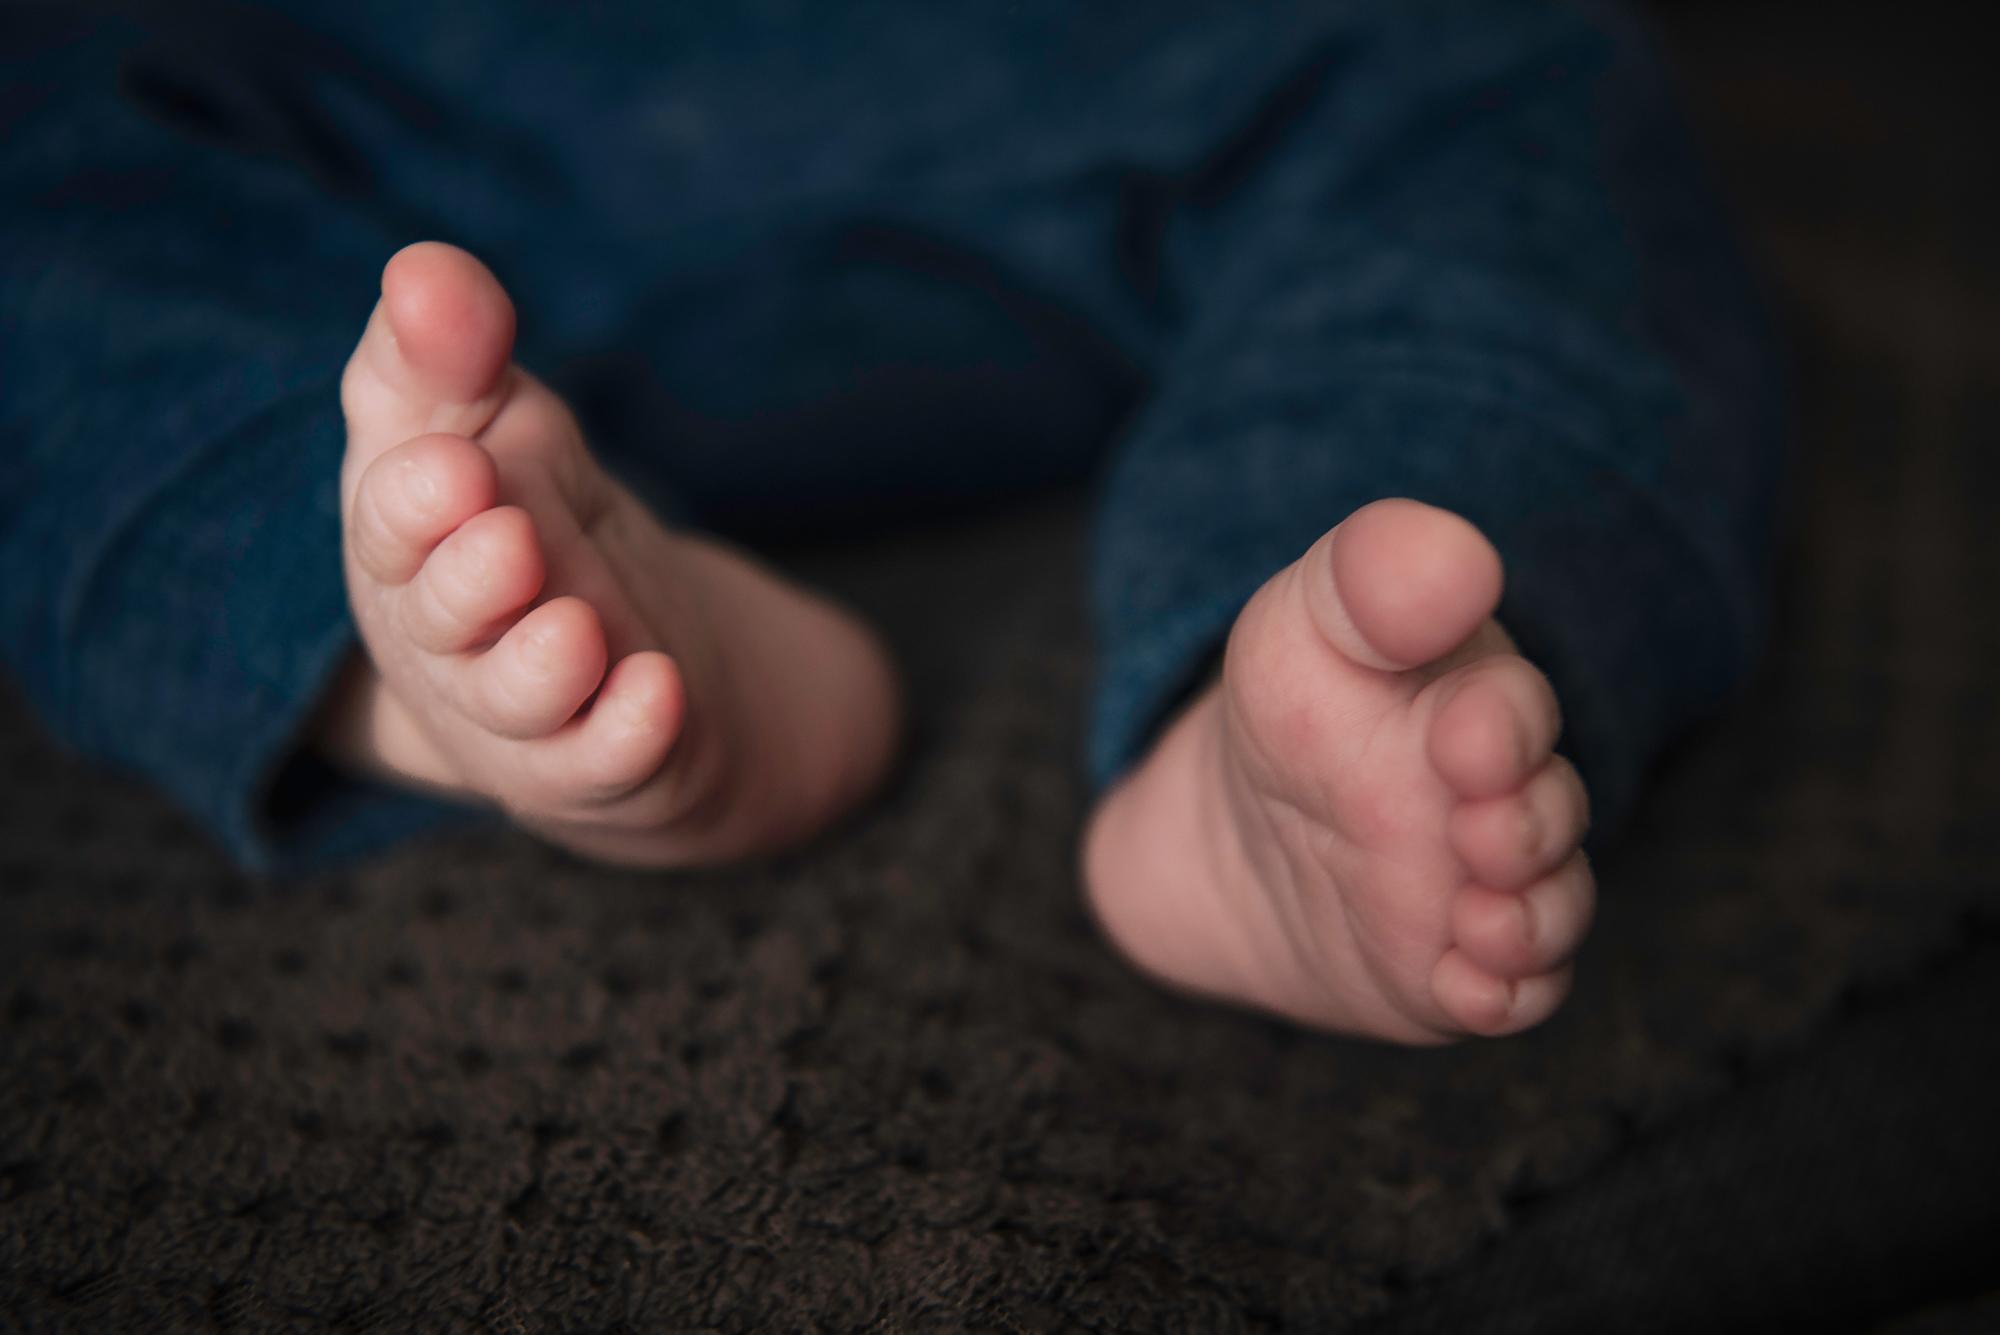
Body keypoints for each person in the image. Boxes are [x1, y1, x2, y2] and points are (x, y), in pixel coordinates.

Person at [0, 0, 1784, 1045]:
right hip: (360, 117)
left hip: (1074, 79)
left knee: (1511, 72)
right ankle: (482, 650)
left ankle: (1285, 691)